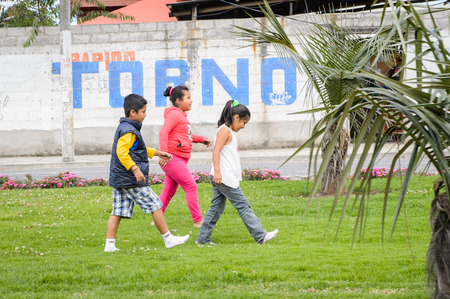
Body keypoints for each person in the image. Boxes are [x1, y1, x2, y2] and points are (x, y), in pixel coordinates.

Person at [104, 93, 189, 252]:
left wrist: (158, 153)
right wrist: (135, 170)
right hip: (131, 179)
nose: (145, 114)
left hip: (120, 178)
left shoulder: (126, 127)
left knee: (118, 211)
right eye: (143, 111)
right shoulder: (129, 130)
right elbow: (122, 153)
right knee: (155, 204)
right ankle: (168, 239)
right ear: (132, 113)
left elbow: (139, 149)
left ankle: (109, 245)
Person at [196, 100, 278, 245]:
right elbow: (216, 151)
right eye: (243, 122)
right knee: (243, 206)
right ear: (236, 118)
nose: (243, 126)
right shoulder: (224, 130)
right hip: (224, 178)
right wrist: (217, 172)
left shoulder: (227, 131)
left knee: (216, 208)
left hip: (224, 176)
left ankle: (202, 239)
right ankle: (261, 236)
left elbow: (227, 154)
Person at [157, 85, 212, 228]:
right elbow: (163, 132)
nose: (191, 101)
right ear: (178, 101)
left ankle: (156, 218)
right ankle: (198, 221)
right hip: (172, 158)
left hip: (178, 159)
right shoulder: (174, 115)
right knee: (191, 186)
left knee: (169, 190)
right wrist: (163, 153)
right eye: (188, 98)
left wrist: (201, 139)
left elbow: (186, 136)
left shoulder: (180, 116)